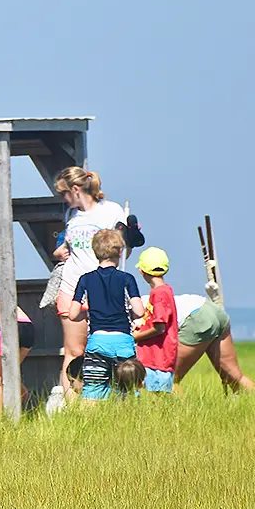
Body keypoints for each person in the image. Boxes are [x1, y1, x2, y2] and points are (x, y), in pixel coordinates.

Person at [51, 168, 128, 395]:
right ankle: (71, 403)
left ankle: (114, 396)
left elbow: (122, 246)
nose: (63, 199)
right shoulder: (71, 216)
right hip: (72, 286)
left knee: (108, 348)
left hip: (104, 288)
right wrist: (59, 252)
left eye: (64, 194)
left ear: (75, 190)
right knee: (73, 351)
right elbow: (65, 246)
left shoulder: (110, 211)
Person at [63, 228, 144, 401]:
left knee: (93, 390)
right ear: (120, 252)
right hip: (122, 341)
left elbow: (72, 314)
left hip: (97, 342)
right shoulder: (127, 278)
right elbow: (139, 311)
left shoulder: (85, 279)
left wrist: (89, 310)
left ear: (95, 252)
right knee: (128, 388)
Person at [172, 292, 255, 393]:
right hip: (212, 309)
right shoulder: (152, 299)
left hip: (196, 318)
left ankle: (182, 408)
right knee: (234, 376)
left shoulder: (150, 303)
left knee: (167, 378)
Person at [131, 247, 178, 394]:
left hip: (157, 359)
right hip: (154, 357)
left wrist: (135, 337)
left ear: (142, 271)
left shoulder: (159, 294)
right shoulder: (164, 291)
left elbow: (160, 327)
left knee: (157, 397)